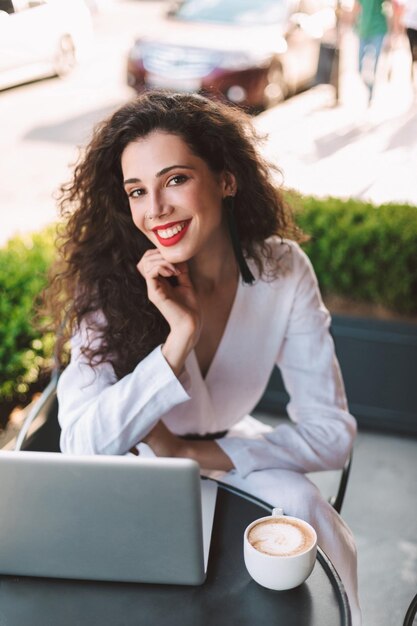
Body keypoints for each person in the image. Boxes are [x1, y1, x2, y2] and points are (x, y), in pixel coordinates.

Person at [47, 91, 361, 624]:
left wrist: (191, 454)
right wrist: (178, 340)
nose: (155, 210)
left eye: (174, 180)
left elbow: (333, 434)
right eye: (137, 191)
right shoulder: (108, 283)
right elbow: (82, 444)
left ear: (226, 179)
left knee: (304, 503)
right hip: (134, 475)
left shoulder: (283, 270)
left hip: (225, 451)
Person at [353, 0, 389, 102]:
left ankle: (371, 89)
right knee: (359, 68)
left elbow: (389, 7)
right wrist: (354, 23)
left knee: (374, 65)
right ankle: (369, 87)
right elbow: (356, 8)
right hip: (363, 30)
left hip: (378, 29)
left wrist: (393, 31)